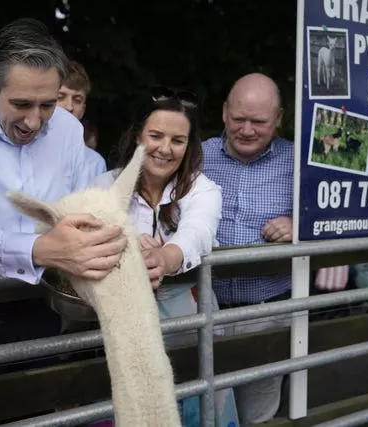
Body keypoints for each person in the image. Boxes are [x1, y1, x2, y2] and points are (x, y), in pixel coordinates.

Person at [0, 18, 126, 357]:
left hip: (43, 302)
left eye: (47, 104)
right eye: (21, 104)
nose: (34, 121)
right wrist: (39, 249)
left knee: (46, 405)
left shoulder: (68, 130)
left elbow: (81, 208)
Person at [94, 87, 239, 427]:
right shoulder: (105, 185)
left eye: (178, 140)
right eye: (155, 136)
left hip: (188, 314)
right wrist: (128, 245)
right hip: (123, 316)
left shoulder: (203, 188)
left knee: (195, 403)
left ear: (189, 146)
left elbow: (198, 232)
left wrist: (165, 256)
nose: (164, 148)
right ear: (137, 137)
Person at [203, 73, 293, 425]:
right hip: (204, 313)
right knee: (203, 411)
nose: (246, 129)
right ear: (224, 112)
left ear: (279, 119)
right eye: (238, 119)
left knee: (258, 414)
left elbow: (335, 215)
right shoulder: (196, 155)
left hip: (268, 312)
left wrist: (301, 226)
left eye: (258, 121)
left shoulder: (300, 162)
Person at [57, 60, 106, 179]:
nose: (69, 106)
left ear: (83, 110)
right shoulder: (27, 149)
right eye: (60, 97)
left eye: (77, 100)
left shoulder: (95, 163)